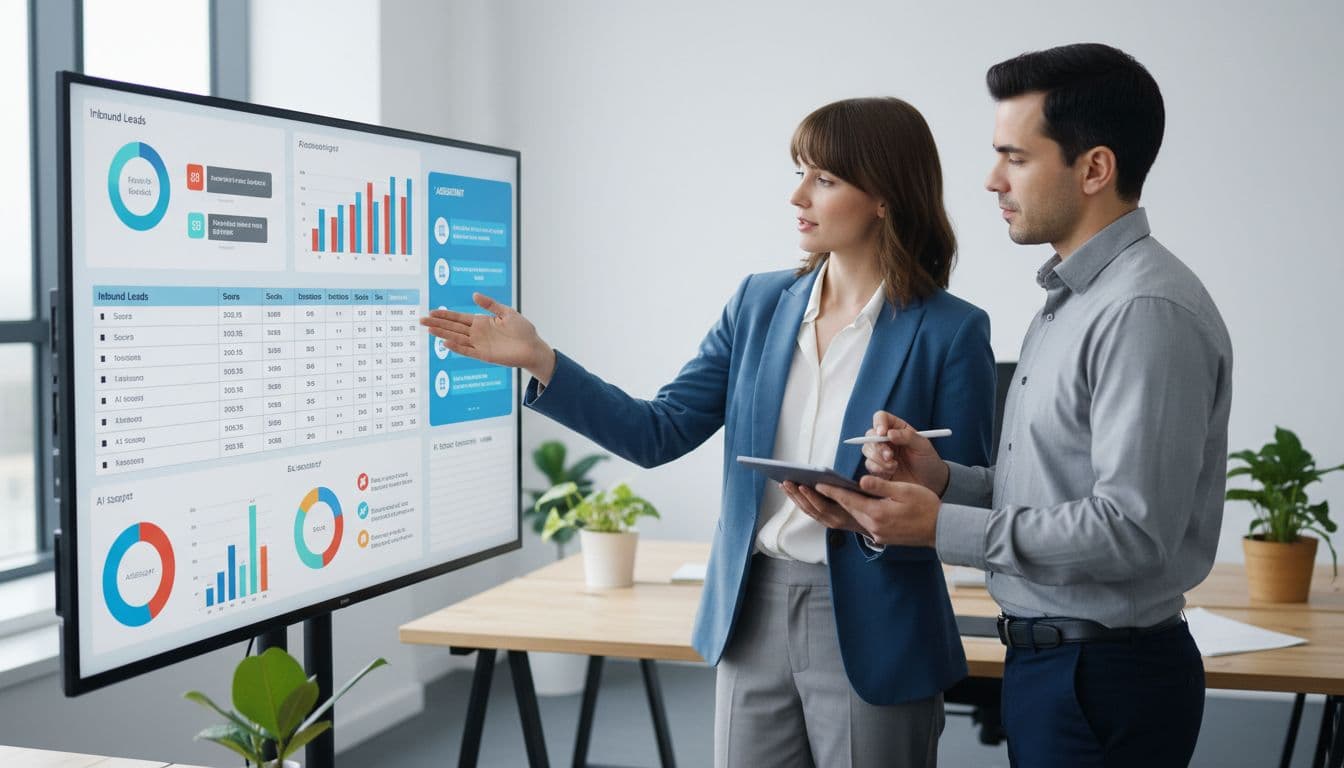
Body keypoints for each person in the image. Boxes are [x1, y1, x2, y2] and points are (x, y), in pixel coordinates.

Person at [421, 97, 996, 767]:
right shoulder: (757, 304)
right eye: (799, 173)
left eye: (824, 179)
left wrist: (888, 501)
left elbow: (964, 500)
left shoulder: (951, 330)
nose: (798, 196)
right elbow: (656, 431)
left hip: (878, 618)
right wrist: (541, 360)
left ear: (884, 198)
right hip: (752, 609)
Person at [795, 44, 1233, 767]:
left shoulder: (1142, 311)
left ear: (1094, 168)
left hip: (1103, 677)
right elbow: (1056, 491)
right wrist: (944, 480)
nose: (992, 179)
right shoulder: (1073, 300)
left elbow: (1131, 530)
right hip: (1054, 667)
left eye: (1015, 158)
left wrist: (941, 526)